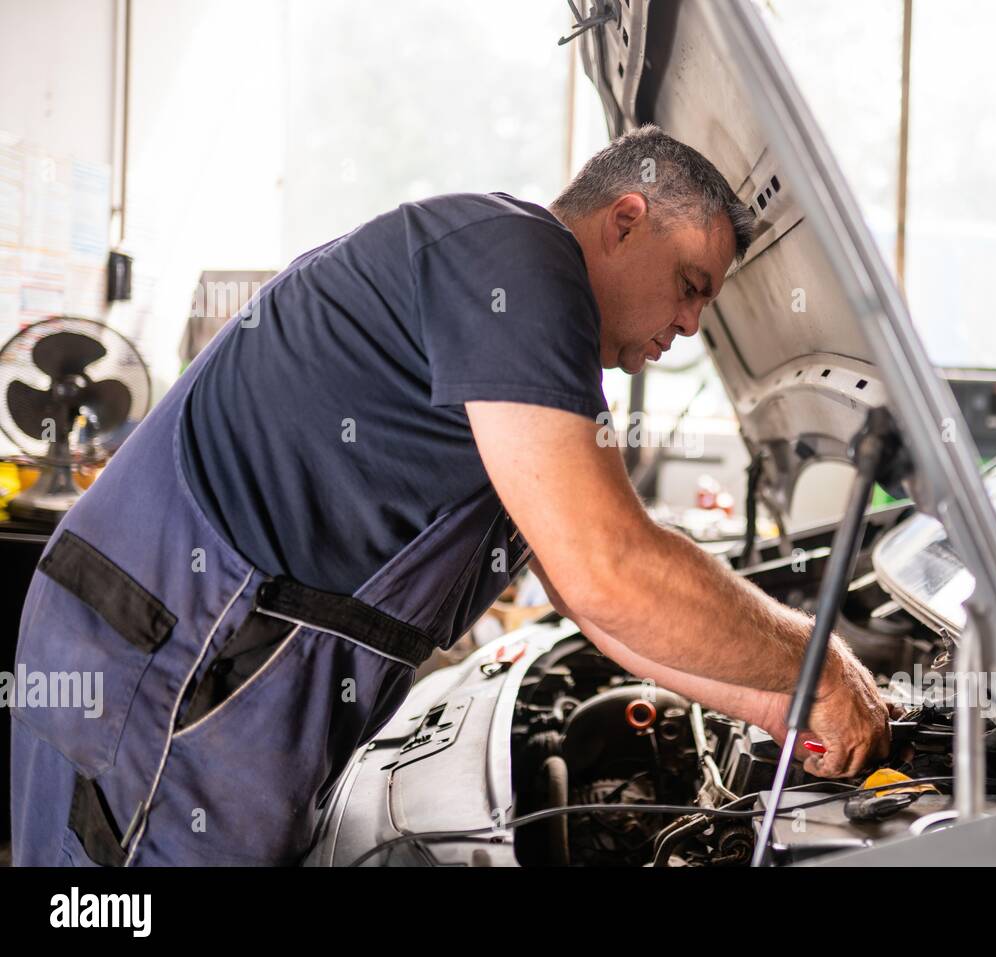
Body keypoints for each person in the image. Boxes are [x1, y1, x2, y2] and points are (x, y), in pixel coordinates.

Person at [10, 125, 890, 866]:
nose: (693, 323)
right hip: (160, 671)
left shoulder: (521, 328)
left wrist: (773, 701)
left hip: (211, 677)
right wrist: (814, 661)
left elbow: (599, 607)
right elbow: (612, 569)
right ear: (627, 220)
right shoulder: (520, 266)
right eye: (692, 284)